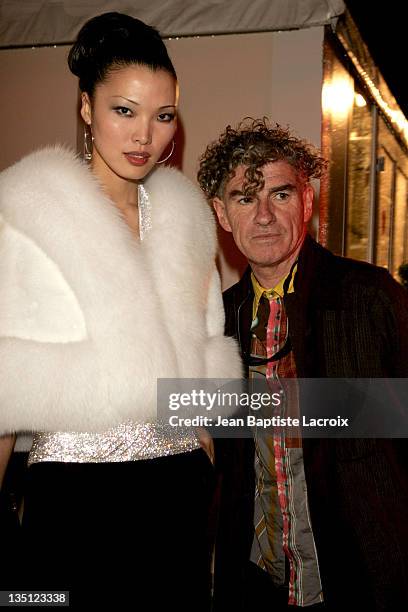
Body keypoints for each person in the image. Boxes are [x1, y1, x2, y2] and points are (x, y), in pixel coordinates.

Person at [0, 12, 241, 609]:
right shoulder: (29, 213)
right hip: (74, 501)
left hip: (177, 495)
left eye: (162, 116)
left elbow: (205, 345)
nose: (145, 136)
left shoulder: (186, 220)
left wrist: (203, 445)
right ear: (87, 108)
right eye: (124, 110)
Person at [197, 118, 408, 611]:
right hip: (255, 586)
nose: (264, 216)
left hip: (365, 580)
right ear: (222, 214)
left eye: (281, 194)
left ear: (308, 199)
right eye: (245, 199)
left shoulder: (372, 299)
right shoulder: (214, 322)